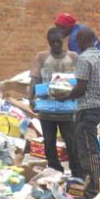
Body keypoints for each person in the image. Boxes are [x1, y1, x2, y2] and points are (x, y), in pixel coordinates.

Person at [54, 27, 100, 198]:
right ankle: (96, 184)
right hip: (99, 106)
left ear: (83, 41)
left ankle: (95, 189)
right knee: (89, 146)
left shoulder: (84, 59)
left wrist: (65, 96)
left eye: (78, 40)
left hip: (87, 109)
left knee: (87, 149)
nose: (76, 43)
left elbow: (81, 87)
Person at [30, 28, 79, 173]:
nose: (56, 45)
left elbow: (81, 79)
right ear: (49, 43)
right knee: (49, 141)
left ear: (63, 41)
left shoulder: (73, 57)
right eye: (53, 43)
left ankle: (75, 170)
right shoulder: (42, 57)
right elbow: (35, 78)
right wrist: (31, 98)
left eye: (59, 42)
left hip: (68, 109)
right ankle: (54, 169)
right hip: (47, 108)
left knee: (71, 141)